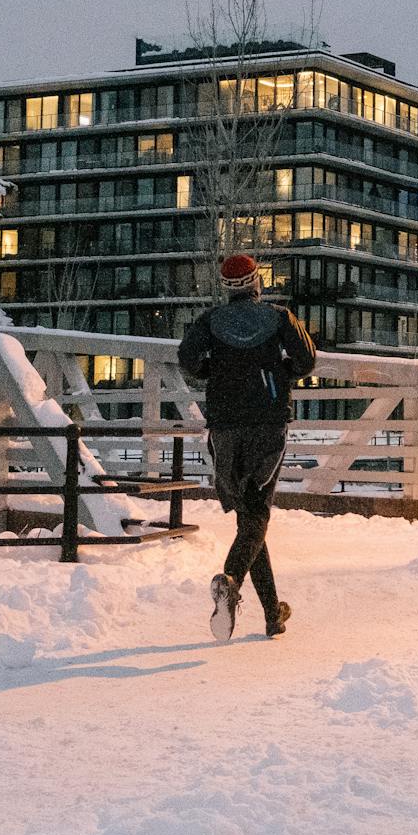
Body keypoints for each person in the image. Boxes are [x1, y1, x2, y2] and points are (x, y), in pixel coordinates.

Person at [177, 253, 317, 641]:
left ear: (226, 287)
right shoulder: (278, 317)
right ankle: (231, 578)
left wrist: (215, 372)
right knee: (257, 514)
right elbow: (307, 360)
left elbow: (187, 359)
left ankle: (272, 614)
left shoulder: (210, 321)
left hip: (224, 427)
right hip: (267, 424)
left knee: (248, 517)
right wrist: (279, 372)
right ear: (257, 283)